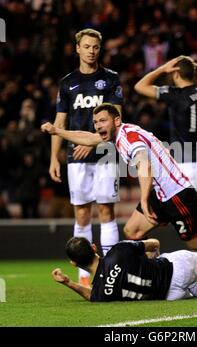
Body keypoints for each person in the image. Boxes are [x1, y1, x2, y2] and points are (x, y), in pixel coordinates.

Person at [42, 103, 197, 281]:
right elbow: (89, 138)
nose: (98, 125)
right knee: (133, 231)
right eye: (96, 122)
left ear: (116, 120)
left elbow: (145, 165)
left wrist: (144, 200)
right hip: (161, 196)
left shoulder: (129, 139)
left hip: (177, 195)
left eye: (102, 120)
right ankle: (157, 273)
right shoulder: (119, 135)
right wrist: (57, 131)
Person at [49, 29, 123, 285]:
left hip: (104, 153)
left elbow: (116, 118)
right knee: (81, 214)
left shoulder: (111, 79)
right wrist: (53, 158)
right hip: (75, 157)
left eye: (96, 47)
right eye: (87, 46)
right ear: (77, 48)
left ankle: (112, 271)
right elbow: (60, 121)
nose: (92, 51)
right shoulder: (67, 83)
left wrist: (91, 143)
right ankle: (85, 275)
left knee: (106, 211)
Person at [51, 237, 197, 302]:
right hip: (173, 269)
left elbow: (90, 295)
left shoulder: (101, 292)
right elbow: (152, 243)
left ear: (74, 264)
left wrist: (68, 283)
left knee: (193, 290)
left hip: (169, 296)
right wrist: (153, 250)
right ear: (93, 247)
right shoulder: (119, 250)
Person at [134, 56, 197, 213]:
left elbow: (140, 86)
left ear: (175, 74)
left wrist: (163, 68)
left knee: (186, 219)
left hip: (186, 165)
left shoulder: (175, 95)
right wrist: (191, 65)